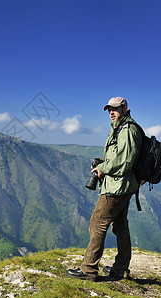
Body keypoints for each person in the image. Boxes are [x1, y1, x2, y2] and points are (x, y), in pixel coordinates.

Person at [66, 97, 142, 281]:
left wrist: (102, 168)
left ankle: (89, 269)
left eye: (115, 109)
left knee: (97, 223)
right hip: (123, 186)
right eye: (109, 109)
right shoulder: (121, 128)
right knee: (121, 226)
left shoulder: (128, 130)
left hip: (116, 188)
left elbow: (125, 161)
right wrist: (105, 164)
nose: (111, 112)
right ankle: (120, 269)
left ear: (125, 109)